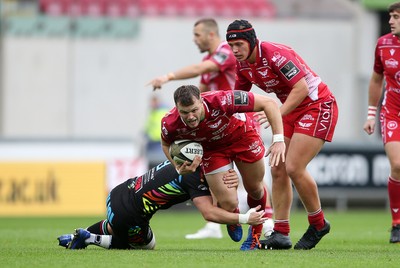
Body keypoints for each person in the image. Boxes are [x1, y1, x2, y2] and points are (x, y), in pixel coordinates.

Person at [148, 18, 274, 240]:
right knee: (223, 186)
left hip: (237, 121)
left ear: (210, 34)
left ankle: (266, 221)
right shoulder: (208, 67)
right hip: (210, 130)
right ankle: (223, 219)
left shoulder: (226, 52)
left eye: (197, 35)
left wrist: (168, 77)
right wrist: (185, 115)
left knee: (253, 182)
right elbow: (199, 91)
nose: (194, 40)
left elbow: (199, 69)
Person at [226, 19, 339, 250]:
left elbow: (302, 88)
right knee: (277, 168)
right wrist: (222, 119)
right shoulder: (243, 65)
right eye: (231, 45)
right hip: (289, 109)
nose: (235, 50)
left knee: (294, 167)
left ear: (251, 41)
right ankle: (281, 232)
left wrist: (274, 113)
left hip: (317, 105)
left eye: (239, 44)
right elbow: (239, 98)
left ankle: (318, 223)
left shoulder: (275, 54)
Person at [161, 85, 285, 250]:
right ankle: (233, 213)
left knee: (255, 189)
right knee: (226, 203)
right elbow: (165, 143)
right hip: (213, 150)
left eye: (194, 110)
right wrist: (177, 166)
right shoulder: (169, 122)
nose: (190, 116)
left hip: (243, 137)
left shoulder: (222, 99)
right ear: (177, 108)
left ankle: (255, 236)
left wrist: (278, 139)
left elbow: (269, 103)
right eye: (184, 112)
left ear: (201, 101)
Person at [57, 159, 266, 250]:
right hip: (130, 215)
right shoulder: (194, 177)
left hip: (117, 194)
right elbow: (209, 213)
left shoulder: (183, 160)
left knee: (116, 226)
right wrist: (245, 218)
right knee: (145, 245)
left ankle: (76, 236)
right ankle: (90, 238)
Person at [363, 2, 400, 244]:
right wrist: (370, 114)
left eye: (396, 16)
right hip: (393, 111)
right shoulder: (383, 43)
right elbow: (376, 79)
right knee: (397, 164)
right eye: (391, 16)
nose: (391, 21)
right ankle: (397, 223)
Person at [144, 95, 170, 168]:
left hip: (160, 141)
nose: (151, 104)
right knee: (151, 164)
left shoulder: (163, 111)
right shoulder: (152, 111)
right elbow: (149, 125)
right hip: (151, 142)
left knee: (159, 163)